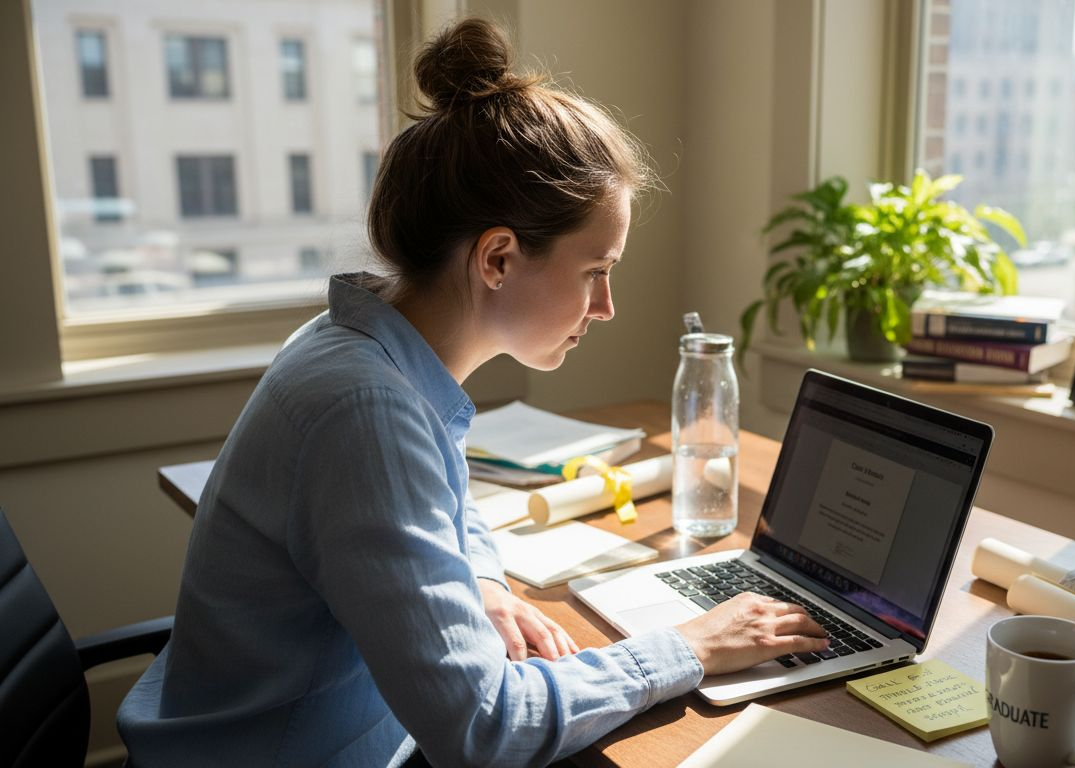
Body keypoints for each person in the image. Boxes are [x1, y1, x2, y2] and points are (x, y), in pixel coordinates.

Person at [116, 19, 829, 767]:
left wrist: (482, 581)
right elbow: (485, 728)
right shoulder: (366, 411)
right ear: (497, 258)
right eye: (595, 271)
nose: (606, 307)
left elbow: (441, 497)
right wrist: (686, 647)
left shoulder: (369, 350)